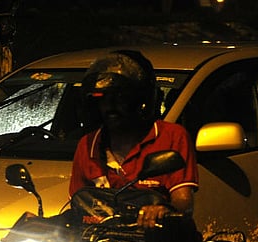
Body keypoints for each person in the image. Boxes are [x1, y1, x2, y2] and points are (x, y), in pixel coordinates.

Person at [68, 50, 198, 229]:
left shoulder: (172, 136)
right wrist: (41, 224)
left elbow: (183, 200)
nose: (110, 107)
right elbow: (77, 206)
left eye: (120, 98)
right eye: (104, 99)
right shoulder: (88, 145)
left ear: (140, 101)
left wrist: (162, 211)